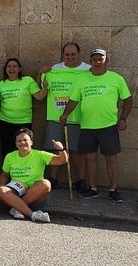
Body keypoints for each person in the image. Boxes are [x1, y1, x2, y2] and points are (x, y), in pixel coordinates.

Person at [60, 49, 132, 202]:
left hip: (109, 126)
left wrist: (123, 118)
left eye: (101, 59)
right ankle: (93, 188)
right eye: (94, 59)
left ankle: (113, 189)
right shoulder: (82, 79)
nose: (98, 62)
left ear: (107, 61)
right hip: (87, 126)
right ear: (90, 61)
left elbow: (128, 99)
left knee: (111, 159)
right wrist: (65, 114)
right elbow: (74, 100)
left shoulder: (116, 79)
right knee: (90, 158)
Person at [35, 42, 90, 191]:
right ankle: (53, 178)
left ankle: (81, 180)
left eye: (73, 54)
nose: (70, 57)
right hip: (55, 117)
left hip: (78, 117)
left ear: (79, 54)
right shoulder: (54, 70)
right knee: (54, 148)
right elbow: (41, 87)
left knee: (77, 150)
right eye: (67, 54)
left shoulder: (88, 71)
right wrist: (41, 73)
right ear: (63, 55)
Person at [0, 128, 67, 223]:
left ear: (31, 142)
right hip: (16, 191)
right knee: (1, 190)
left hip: (35, 194)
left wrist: (61, 149)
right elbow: (4, 175)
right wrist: (3, 187)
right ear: (16, 143)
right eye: (19, 141)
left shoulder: (40, 155)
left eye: (25, 140)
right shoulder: (9, 156)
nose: (22, 143)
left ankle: (17, 208)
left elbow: (62, 160)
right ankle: (32, 214)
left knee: (46, 183)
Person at [0, 57, 41, 160]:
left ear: (19, 69)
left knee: (24, 150)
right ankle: (8, 174)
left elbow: (39, 96)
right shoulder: (0, 84)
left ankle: (23, 175)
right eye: (9, 66)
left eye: (14, 66)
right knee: (7, 150)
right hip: (5, 122)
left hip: (23, 122)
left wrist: (42, 77)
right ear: (5, 69)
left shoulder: (27, 80)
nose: (11, 68)